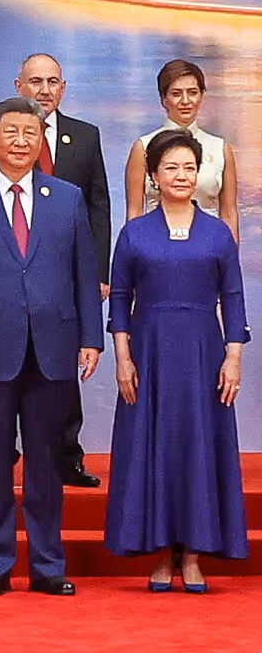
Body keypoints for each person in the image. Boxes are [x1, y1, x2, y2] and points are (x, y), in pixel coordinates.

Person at [0, 96, 103, 597]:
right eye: (11, 132)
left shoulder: (67, 197)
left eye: (31, 133)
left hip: (54, 347)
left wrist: (91, 338)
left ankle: (49, 564)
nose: (21, 141)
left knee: (47, 460)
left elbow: (84, 273)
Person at [105, 128, 249, 593]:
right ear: (153, 176)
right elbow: (120, 300)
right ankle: (161, 555)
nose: (182, 175)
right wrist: (123, 360)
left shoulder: (218, 233)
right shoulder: (134, 233)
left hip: (205, 353)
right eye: (171, 167)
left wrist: (234, 357)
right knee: (155, 445)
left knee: (198, 448)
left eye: (190, 167)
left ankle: (193, 556)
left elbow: (234, 297)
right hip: (148, 352)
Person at [0, 53, 110, 489]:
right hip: (8, 278)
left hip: (65, 278)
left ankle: (67, 455)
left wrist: (98, 272)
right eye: (35, 81)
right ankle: (5, 453)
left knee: (60, 373)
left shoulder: (85, 136)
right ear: (19, 85)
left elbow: (98, 206)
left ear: (63, 88)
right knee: (8, 370)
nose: (44, 89)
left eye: (52, 81)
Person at [124, 58, 239, 242]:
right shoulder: (143, 147)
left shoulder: (221, 148)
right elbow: (134, 212)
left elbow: (229, 213)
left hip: (208, 245)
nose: (185, 101)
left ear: (201, 96)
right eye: (176, 93)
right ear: (164, 99)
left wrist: (231, 261)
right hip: (156, 244)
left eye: (193, 93)